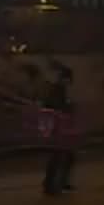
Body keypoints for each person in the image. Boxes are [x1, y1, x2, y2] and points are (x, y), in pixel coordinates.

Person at [42, 64, 76, 196]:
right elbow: (56, 108)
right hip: (58, 128)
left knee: (64, 157)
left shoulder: (58, 90)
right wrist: (68, 108)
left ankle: (58, 183)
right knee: (59, 157)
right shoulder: (57, 90)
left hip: (59, 128)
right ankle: (51, 185)